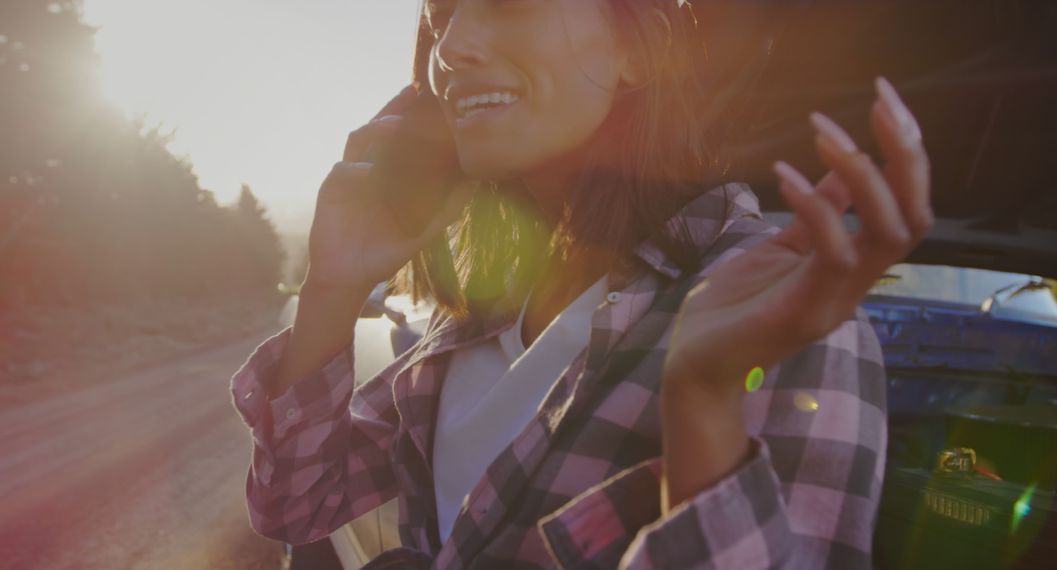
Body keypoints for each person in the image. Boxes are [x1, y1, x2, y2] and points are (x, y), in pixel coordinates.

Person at [230, 0, 932, 567]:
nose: (451, 48)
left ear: (640, 49)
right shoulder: (481, 314)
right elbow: (295, 509)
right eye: (441, 14)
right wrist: (332, 286)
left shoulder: (777, 310)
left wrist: (704, 405)